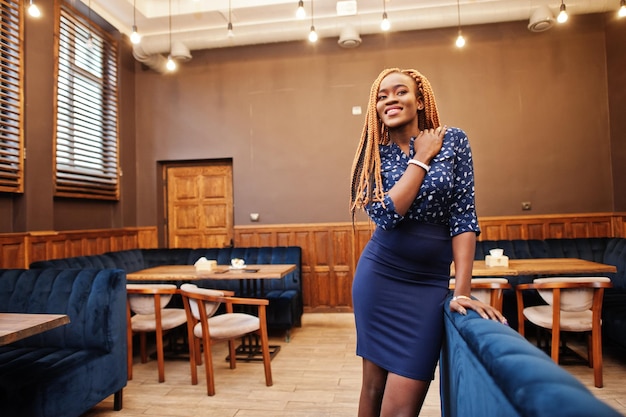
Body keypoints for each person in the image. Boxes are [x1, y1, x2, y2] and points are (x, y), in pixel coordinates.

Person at [349, 68, 507, 417]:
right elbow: (387, 216)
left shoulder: (454, 141)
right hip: (379, 278)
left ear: (419, 100)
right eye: (382, 95)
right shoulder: (372, 154)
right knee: (372, 389)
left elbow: (464, 218)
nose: (390, 99)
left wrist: (461, 291)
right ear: (376, 108)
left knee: (402, 407)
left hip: (428, 287)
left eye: (400, 91)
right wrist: (421, 158)